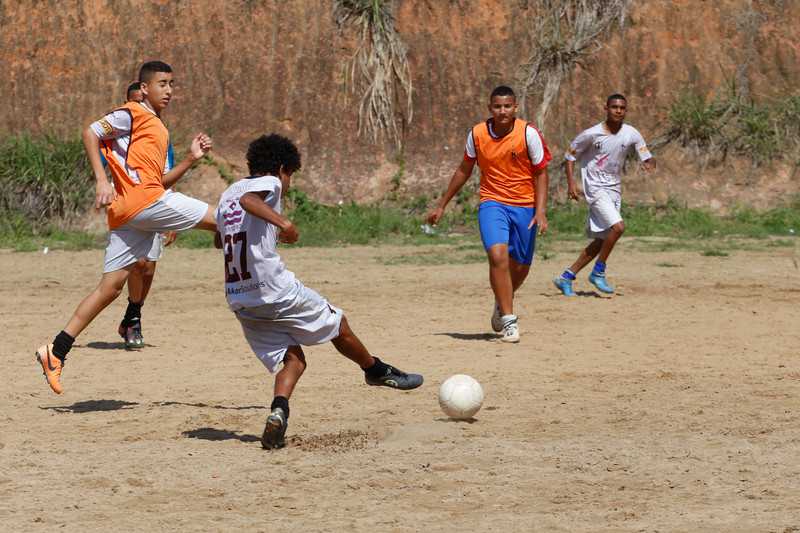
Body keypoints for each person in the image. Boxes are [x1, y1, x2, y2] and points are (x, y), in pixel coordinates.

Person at [215, 133, 423, 449]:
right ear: (282, 168)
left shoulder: (227, 193)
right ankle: (375, 370)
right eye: (290, 176)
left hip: (241, 298)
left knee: (294, 360)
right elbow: (251, 201)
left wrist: (264, 235)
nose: (288, 184)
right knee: (338, 325)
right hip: (275, 290)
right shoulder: (269, 184)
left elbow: (221, 238)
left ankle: (278, 412)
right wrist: (284, 225)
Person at [35, 60, 218, 395]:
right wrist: (101, 180)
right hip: (143, 203)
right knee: (224, 218)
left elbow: (160, 180)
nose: (169, 90)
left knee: (111, 288)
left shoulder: (157, 130)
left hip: (131, 211)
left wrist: (191, 158)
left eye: (172, 84)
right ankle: (263, 249)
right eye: (162, 84)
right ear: (144, 88)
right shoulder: (132, 112)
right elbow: (90, 132)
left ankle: (56, 351)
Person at [427, 85, 551, 343]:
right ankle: (509, 320)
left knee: (520, 268)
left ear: (515, 107)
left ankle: (501, 301)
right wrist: (442, 204)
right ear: (490, 108)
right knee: (497, 255)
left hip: (525, 206)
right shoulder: (477, 134)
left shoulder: (528, 133)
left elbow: (541, 172)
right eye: (497, 106)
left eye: (507, 106)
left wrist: (540, 211)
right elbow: (464, 169)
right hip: (492, 203)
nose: (502, 111)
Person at [552, 94, 655, 296]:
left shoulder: (631, 133)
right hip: (595, 188)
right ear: (606, 108)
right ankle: (598, 272)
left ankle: (566, 277)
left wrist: (649, 162)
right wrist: (572, 183)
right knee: (618, 227)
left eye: (622, 108)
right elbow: (570, 155)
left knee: (602, 240)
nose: (618, 111)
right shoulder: (592, 134)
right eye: (614, 107)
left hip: (614, 188)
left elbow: (646, 153)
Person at [116, 81, 177, 349]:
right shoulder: (122, 133)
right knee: (137, 264)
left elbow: (167, 173)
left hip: (157, 202)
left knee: (149, 267)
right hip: (130, 205)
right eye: (135, 102)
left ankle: (133, 314)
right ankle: (133, 320)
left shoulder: (161, 133)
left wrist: (172, 213)